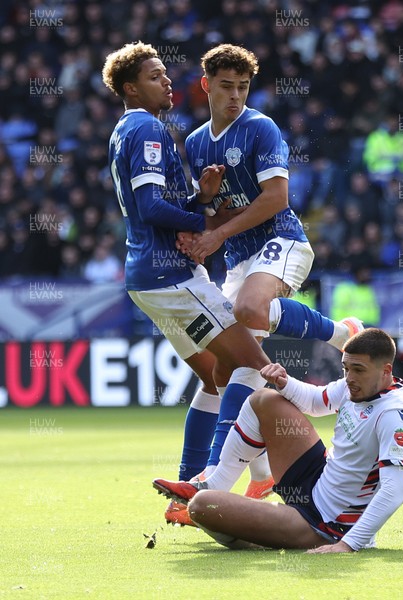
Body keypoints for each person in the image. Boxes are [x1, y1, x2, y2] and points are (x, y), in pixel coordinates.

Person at [102, 41, 274, 525]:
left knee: (214, 377)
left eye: (166, 74)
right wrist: (205, 218)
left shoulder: (124, 129)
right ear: (132, 88)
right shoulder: (148, 128)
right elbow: (153, 207)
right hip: (172, 276)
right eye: (155, 76)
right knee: (256, 368)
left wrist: (200, 197)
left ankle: (188, 495)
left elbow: (146, 204)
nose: (166, 82)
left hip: (147, 278)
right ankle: (227, 482)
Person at [177, 43, 363, 481]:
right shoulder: (196, 143)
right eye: (225, 87)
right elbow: (216, 209)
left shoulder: (261, 129)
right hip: (240, 260)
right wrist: (203, 205)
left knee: (247, 311)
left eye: (242, 87)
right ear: (206, 86)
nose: (235, 96)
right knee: (219, 368)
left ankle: (339, 334)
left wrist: (216, 235)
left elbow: (276, 197)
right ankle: (248, 474)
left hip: (283, 240)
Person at [153, 328, 403, 552]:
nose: (349, 378)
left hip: (324, 524)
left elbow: (393, 492)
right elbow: (316, 402)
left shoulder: (395, 413)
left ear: (386, 371)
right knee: (263, 399)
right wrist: (283, 381)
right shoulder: (356, 385)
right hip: (316, 479)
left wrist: (348, 545)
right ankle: (214, 482)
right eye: (345, 368)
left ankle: (257, 536)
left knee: (202, 507)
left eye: (358, 370)